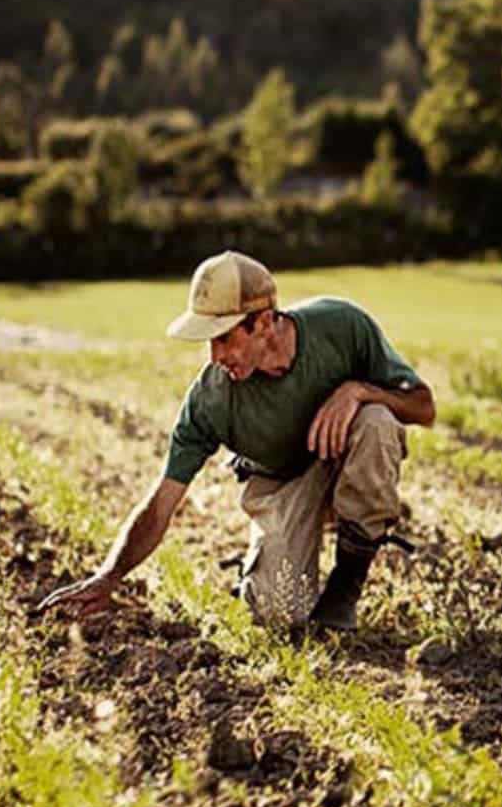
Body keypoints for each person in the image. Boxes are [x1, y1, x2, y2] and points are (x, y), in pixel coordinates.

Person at [35, 250, 435, 630]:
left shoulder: (342, 326)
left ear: (262, 323)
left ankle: (345, 588)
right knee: (278, 612)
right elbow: (161, 504)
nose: (215, 356)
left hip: (347, 457)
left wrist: (359, 391)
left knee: (378, 421)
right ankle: (259, 569)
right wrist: (109, 575)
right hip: (282, 483)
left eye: (224, 338)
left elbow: (423, 407)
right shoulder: (211, 399)